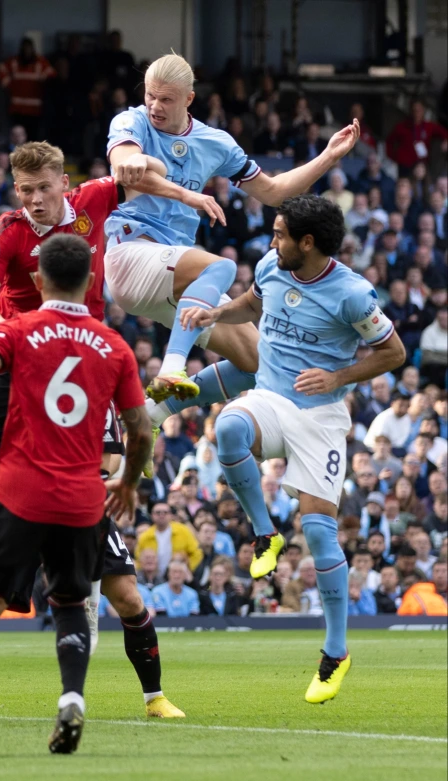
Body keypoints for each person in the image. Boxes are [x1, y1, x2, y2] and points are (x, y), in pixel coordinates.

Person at [184, 195, 406, 703]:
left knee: (321, 535)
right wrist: (221, 310)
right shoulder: (272, 265)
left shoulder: (352, 294)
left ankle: (335, 651)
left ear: (308, 243)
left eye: (281, 234)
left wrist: (339, 375)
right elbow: (255, 303)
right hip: (271, 395)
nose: (272, 241)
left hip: (322, 416)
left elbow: (393, 351)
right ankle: (265, 535)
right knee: (229, 429)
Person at [0, 233, 152, 756]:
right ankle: (71, 699)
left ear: (37, 281)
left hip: (21, 492)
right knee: (69, 601)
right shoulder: (116, 346)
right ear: (92, 282)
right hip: (83, 499)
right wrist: (126, 482)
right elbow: (141, 431)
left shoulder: (18, 329)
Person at [0, 140, 216, 523]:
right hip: (23, 349)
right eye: (26, 190)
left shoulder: (94, 197)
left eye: (44, 188)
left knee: (107, 460)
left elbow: (156, 174)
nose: (35, 199)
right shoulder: (8, 230)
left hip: (83, 344)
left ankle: (80, 529)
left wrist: (151, 166)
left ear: (64, 183)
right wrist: (23, 338)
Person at [104, 53, 360, 452]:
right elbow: (124, 166)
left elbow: (274, 192)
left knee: (260, 359)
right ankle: (172, 368)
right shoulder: (130, 121)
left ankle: (150, 416)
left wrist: (327, 157)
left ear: (190, 99)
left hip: (176, 277)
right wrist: (175, 185)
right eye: (151, 96)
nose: (155, 105)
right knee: (223, 266)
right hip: (130, 253)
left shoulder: (214, 142)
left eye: (166, 99)